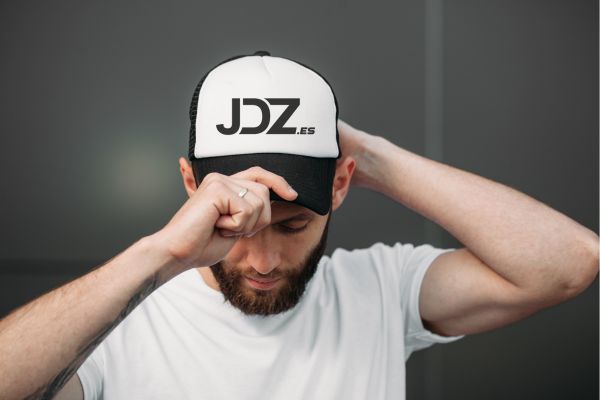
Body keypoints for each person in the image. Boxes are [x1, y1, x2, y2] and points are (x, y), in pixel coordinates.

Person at [0, 51, 597, 400]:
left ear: (340, 186)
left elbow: (570, 263)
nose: (263, 262)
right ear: (190, 185)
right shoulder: (120, 318)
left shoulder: (380, 289)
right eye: (235, 227)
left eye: (292, 226)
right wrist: (161, 253)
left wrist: (371, 156)